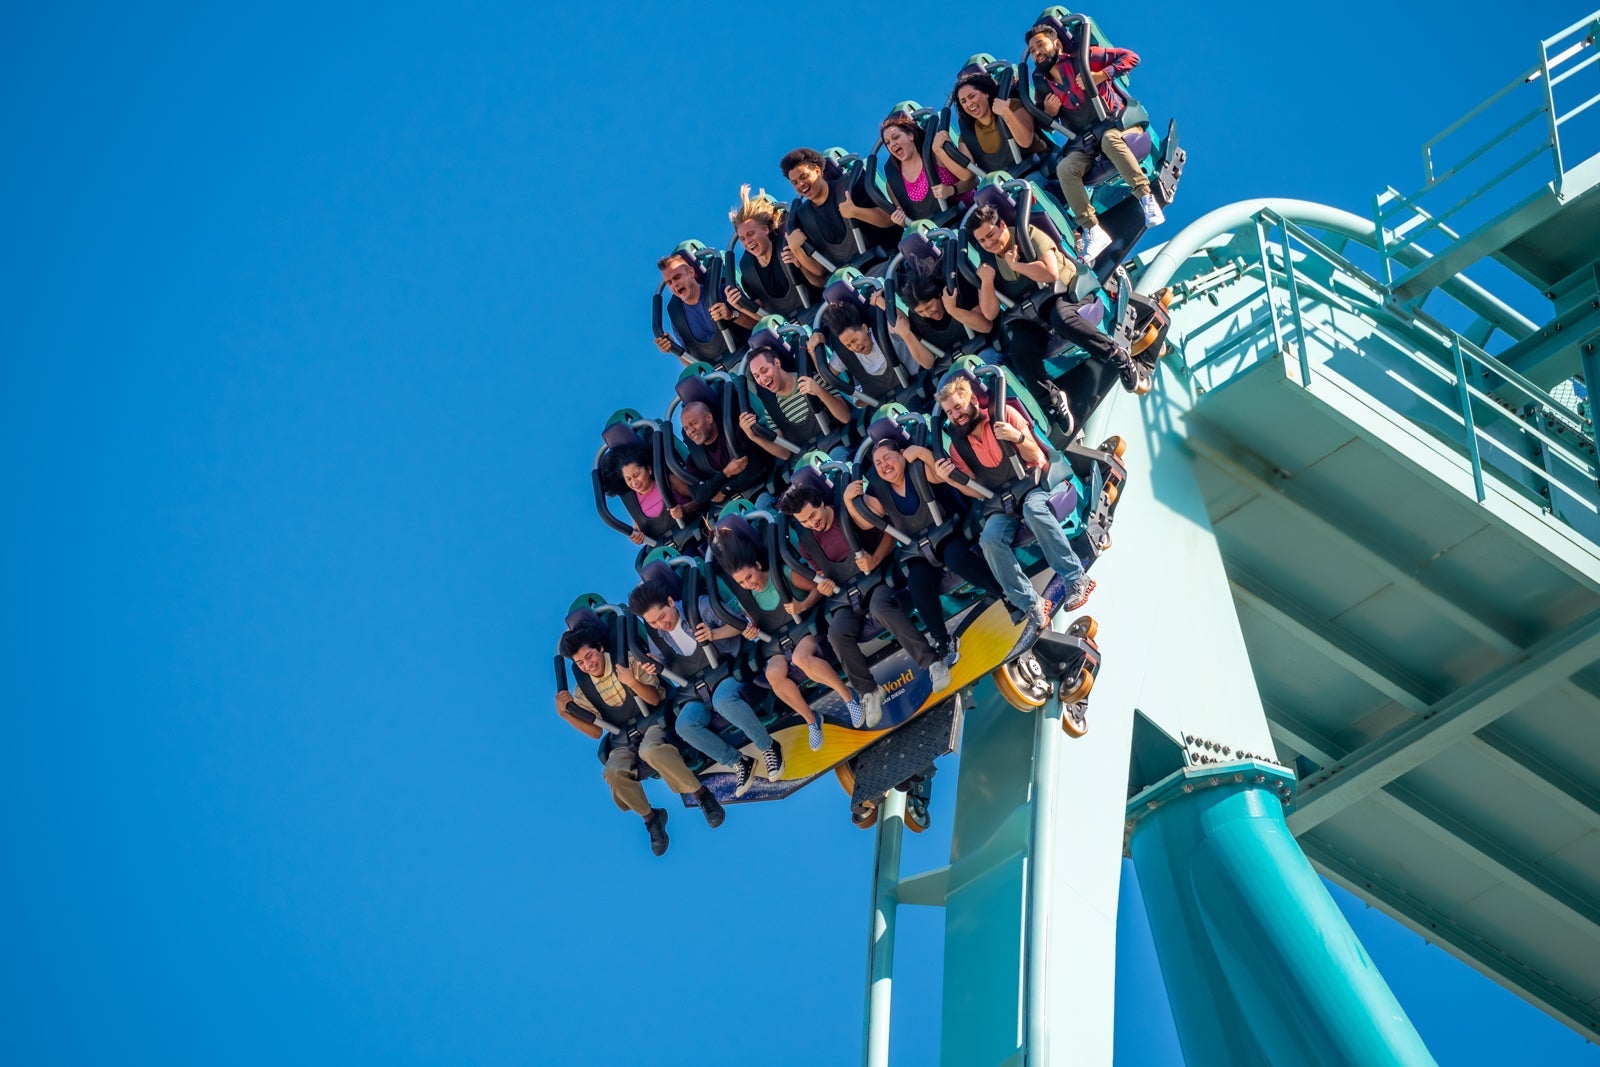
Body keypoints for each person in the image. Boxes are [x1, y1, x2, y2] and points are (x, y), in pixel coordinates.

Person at [778, 480, 950, 727]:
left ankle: (931, 662)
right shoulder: (807, 543)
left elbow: (889, 533)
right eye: (804, 522)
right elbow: (822, 575)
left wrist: (875, 558)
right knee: (837, 634)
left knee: (881, 609)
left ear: (822, 504)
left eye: (813, 515)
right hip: (845, 594)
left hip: (876, 578)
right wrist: (823, 585)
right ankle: (869, 691)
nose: (811, 523)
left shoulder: (847, 514)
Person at [934, 374, 1094, 630]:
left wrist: (1016, 437)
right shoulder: (958, 446)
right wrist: (951, 479)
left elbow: (1037, 456)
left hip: (1034, 483)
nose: (955, 415)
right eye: (949, 412)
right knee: (989, 539)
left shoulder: (1004, 414)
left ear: (973, 400)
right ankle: (1031, 603)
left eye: (958, 406)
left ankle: (1075, 578)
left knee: (1033, 509)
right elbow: (976, 491)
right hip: (1003, 500)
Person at [556, 619, 725, 856]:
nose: (587, 665)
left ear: (600, 648)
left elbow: (655, 699)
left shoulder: (625, 661)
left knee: (650, 750)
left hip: (653, 718)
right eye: (580, 663)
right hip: (623, 734)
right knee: (612, 772)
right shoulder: (584, 688)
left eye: (589, 656)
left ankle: (701, 795)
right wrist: (566, 714)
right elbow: (595, 732)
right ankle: (652, 819)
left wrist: (632, 682)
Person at [966, 203, 1138, 426]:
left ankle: (1117, 355)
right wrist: (987, 282)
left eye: (991, 235)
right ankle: (1053, 400)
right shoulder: (987, 261)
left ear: (1001, 225)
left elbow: (1051, 273)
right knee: (1020, 351)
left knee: (1062, 318)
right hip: (1030, 313)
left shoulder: (1029, 234)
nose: (989, 243)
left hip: (1067, 292)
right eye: (982, 241)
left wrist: (1017, 266)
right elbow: (989, 314)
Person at [845, 434, 998, 663]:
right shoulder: (878, 489)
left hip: (945, 531)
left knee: (956, 557)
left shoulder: (916, 467)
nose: (884, 465)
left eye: (888, 458)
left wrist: (921, 453)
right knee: (917, 582)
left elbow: (941, 475)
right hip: (916, 548)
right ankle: (943, 641)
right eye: (878, 463)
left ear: (902, 455)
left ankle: (1003, 594)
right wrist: (849, 501)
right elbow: (867, 521)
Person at [709, 523, 862, 750]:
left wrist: (802, 605)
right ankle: (812, 719)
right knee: (773, 674)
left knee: (801, 658)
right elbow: (754, 621)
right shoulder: (747, 597)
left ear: (758, 566)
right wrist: (750, 629)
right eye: (742, 582)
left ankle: (849, 697)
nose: (749, 584)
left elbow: (818, 588)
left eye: (749, 576)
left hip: (805, 629)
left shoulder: (782, 574)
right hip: (778, 642)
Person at [628, 577, 783, 796]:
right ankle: (739, 762)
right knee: (684, 725)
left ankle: (768, 746)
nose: (661, 624)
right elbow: (664, 660)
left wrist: (714, 634)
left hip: (728, 670)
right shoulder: (658, 633)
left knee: (723, 701)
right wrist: (656, 666)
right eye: (653, 623)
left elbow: (741, 622)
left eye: (662, 616)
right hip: (698, 688)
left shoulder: (700, 606)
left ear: (671, 602)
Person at [1025, 19, 1164, 260]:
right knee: (1065, 168)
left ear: (1056, 44)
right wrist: (1047, 113)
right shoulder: (1042, 84)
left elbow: (1131, 57)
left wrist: (1101, 75)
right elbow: (1041, 124)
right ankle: (1091, 228)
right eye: (1033, 50)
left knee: (1110, 140)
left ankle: (1145, 196)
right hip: (1087, 141)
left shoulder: (1082, 58)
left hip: (1118, 125)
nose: (1037, 52)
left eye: (1040, 45)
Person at [779, 147, 899, 286]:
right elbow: (818, 270)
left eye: (804, 176)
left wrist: (855, 212)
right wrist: (796, 249)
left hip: (881, 263)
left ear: (818, 171)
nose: (801, 184)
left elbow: (889, 219)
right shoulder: (803, 217)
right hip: (846, 280)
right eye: (794, 183)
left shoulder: (849, 186)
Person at [737, 345, 853, 459]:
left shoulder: (812, 380)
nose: (762, 379)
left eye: (765, 370)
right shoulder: (771, 408)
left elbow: (845, 417)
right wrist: (753, 436)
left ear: (777, 363)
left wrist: (820, 392)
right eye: (757, 376)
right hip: (808, 459)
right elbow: (785, 453)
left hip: (834, 446)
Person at [725, 185, 817, 320]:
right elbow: (764, 317)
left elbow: (821, 281)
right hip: (788, 327)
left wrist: (800, 261)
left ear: (765, 230)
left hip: (817, 306)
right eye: (742, 238)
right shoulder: (749, 271)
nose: (747, 241)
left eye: (751, 234)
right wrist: (740, 306)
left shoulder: (788, 245)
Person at [812, 296, 925, 404]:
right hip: (886, 400)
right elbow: (827, 377)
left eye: (854, 340)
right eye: (848, 345)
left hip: (917, 379)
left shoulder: (883, 328)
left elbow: (904, 323)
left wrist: (883, 304)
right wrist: (813, 350)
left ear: (865, 328)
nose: (854, 347)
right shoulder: (845, 353)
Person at [936, 69, 1041, 177]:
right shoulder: (968, 135)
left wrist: (1005, 112)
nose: (969, 103)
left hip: (1035, 168)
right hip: (1007, 185)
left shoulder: (1011, 105)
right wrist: (938, 150)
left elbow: (1026, 141)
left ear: (986, 93)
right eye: (963, 101)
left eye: (972, 96)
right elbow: (966, 175)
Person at [893, 256, 994, 366]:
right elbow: (928, 363)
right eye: (921, 312)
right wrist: (906, 334)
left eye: (929, 306)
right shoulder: (917, 318)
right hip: (953, 365)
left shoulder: (956, 292)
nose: (927, 313)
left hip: (984, 350)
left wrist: (953, 310)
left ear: (939, 295)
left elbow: (986, 326)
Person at [654, 250, 750, 364]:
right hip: (717, 375)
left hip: (747, 355)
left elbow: (759, 323)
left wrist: (732, 315)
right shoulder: (678, 319)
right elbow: (692, 363)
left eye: (677, 277)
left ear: (691, 272)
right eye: (669, 282)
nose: (675, 285)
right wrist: (672, 348)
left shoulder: (721, 292)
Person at [878, 113, 971, 225]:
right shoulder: (893, 183)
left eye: (896, 137)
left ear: (910, 135)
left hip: (967, 214)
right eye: (887, 143)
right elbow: (907, 219)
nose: (892, 144)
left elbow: (972, 180)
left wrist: (951, 190)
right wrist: (900, 220)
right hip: (937, 232)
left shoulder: (935, 155)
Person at [679, 398, 773, 508]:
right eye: (686, 428)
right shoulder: (695, 459)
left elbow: (755, 469)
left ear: (709, 418)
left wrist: (723, 491)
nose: (691, 431)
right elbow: (699, 496)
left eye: (694, 423)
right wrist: (726, 473)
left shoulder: (735, 432)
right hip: (729, 506)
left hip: (760, 491)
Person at [601, 441, 698, 546]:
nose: (634, 482)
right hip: (663, 546)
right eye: (628, 479)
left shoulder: (668, 481)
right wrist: (637, 537)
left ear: (649, 469)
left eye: (637, 475)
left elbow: (702, 498)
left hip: (691, 534)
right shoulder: (632, 501)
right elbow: (639, 530)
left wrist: (685, 509)